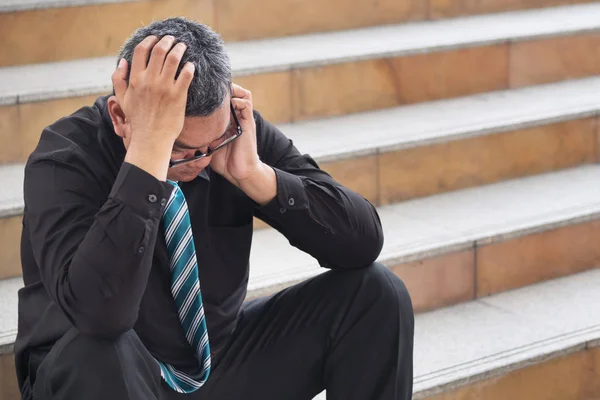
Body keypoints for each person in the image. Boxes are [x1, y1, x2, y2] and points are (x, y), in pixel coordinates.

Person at [15, 17, 414, 400]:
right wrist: (148, 158)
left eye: (212, 145)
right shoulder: (65, 158)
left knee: (376, 293)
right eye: (180, 149)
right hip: (98, 377)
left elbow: (362, 242)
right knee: (101, 351)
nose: (201, 161)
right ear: (121, 116)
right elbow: (100, 315)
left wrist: (256, 175)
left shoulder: (229, 134)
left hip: (212, 368)